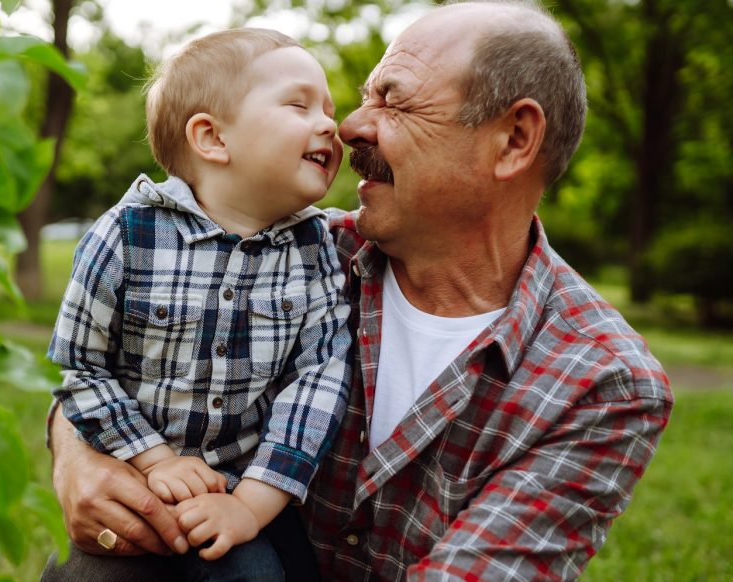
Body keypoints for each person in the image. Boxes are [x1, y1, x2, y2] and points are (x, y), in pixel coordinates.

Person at [45, 1, 674, 580]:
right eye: (362, 98)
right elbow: (109, 358)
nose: (347, 127)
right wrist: (78, 454)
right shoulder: (289, 253)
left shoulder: (603, 383)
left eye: (394, 102)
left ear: (513, 140)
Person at [43, 28, 352, 581]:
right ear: (212, 138)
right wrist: (152, 458)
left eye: (328, 108)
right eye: (299, 104)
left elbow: (319, 382)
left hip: (247, 486)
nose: (331, 124)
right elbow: (78, 365)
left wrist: (250, 503)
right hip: (127, 475)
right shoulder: (126, 235)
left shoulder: (315, 250)